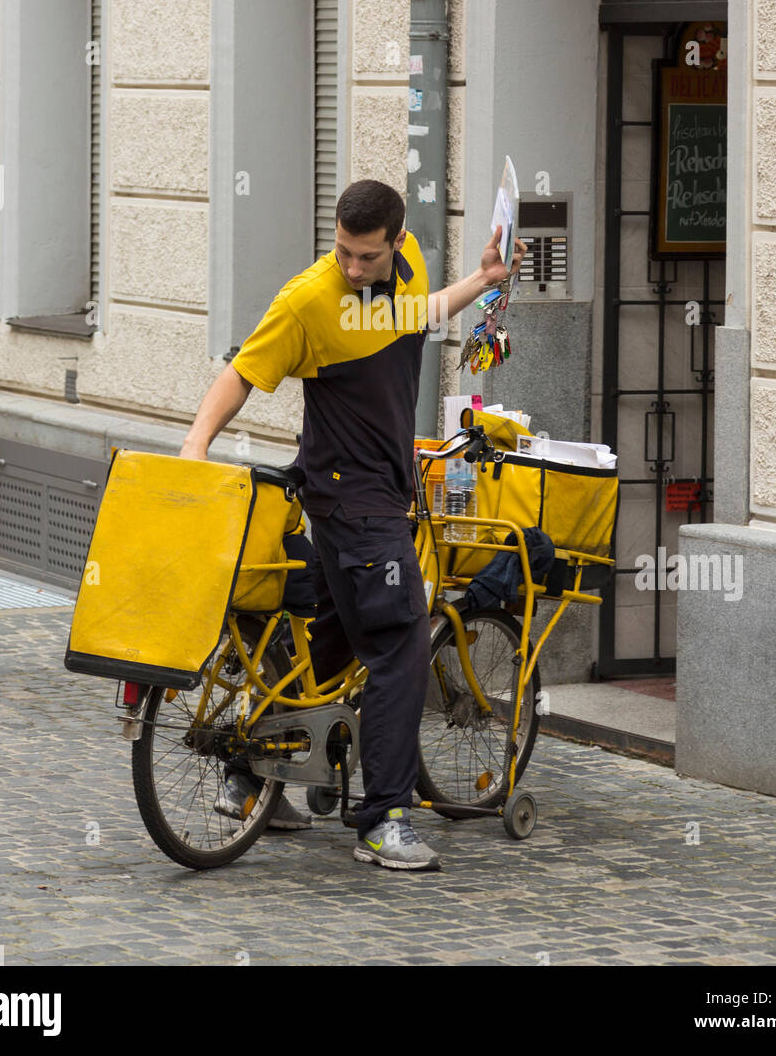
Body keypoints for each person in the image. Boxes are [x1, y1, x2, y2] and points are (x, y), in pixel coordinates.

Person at [179, 179, 526, 870]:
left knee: (332, 646)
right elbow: (243, 373)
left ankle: (253, 777)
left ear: (397, 242)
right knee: (399, 643)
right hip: (351, 501)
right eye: (342, 250)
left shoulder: (411, 264)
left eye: (366, 256)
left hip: (381, 494)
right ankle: (383, 819)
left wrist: (481, 281)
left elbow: (416, 315)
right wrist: (195, 448)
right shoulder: (308, 298)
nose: (352, 267)